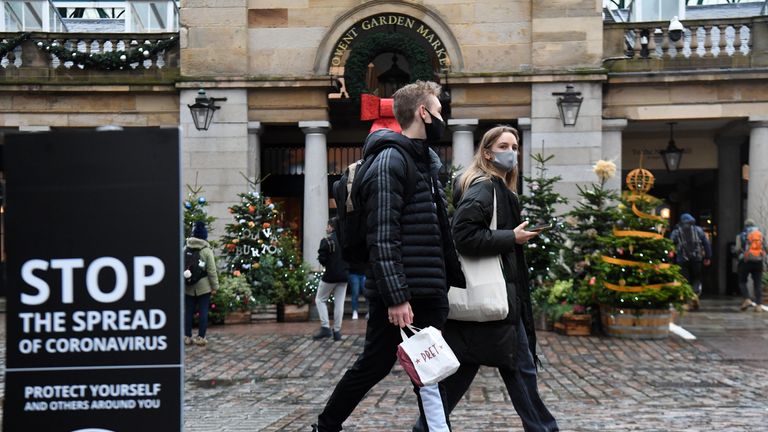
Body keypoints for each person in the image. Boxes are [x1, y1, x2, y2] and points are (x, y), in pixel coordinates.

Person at [312, 80, 464, 432]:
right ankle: (326, 424)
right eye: (439, 109)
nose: (443, 116)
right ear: (423, 113)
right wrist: (397, 297)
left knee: (429, 370)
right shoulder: (390, 161)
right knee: (374, 365)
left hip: (428, 288)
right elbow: (383, 235)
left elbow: (435, 228)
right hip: (401, 295)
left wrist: (448, 279)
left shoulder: (426, 161)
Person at [414, 125, 559, 432]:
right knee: (519, 368)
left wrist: (511, 237)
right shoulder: (486, 187)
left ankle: (426, 427)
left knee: (467, 369)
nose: (512, 152)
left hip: (489, 300)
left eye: (515, 146)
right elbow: (463, 235)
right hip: (494, 300)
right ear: (488, 152)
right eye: (504, 146)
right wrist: (511, 237)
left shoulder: (497, 187)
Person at [313, 218, 348, 341]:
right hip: (344, 275)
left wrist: (328, 264)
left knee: (320, 299)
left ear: (331, 227)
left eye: (327, 226)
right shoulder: (346, 240)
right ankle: (337, 331)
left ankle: (325, 327)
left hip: (331, 275)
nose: (326, 228)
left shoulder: (327, 241)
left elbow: (322, 258)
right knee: (339, 303)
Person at [184, 221, 219, 346]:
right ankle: (201, 337)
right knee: (203, 312)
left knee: (188, 312)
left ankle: (187, 336)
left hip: (188, 286)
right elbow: (211, 271)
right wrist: (215, 286)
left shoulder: (186, 247)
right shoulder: (206, 250)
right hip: (204, 287)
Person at [669, 213, 712, 310]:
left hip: (682, 259)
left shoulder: (677, 231)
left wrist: (670, 256)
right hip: (696, 259)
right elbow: (706, 244)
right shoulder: (698, 230)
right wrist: (707, 257)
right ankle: (694, 295)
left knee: (684, 280)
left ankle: (685, 302)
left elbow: (670, 244)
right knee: (696, 278)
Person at [735, 219, 767, 312]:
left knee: (742, 281)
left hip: (745, 261)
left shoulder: (741, 235)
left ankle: (747, 299)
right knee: (757, 283)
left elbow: (737, 249)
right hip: (758, 261)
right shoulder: (760, 235)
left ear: (745, 226)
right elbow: (765, 247)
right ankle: (758, 305)